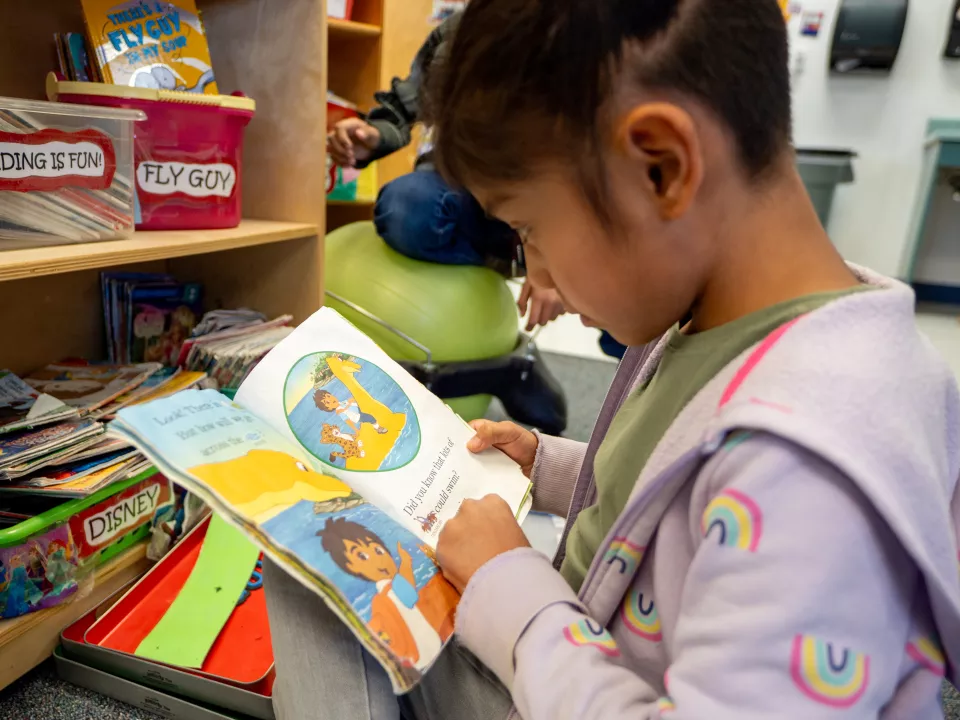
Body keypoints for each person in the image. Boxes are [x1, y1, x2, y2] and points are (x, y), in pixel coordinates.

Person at [265, 1, 960, 718]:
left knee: (312, 564)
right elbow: (670, 485)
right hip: (578, 637)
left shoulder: (811, 469)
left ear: (660, 167)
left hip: (569, 666)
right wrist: (545, 464)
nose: (533, 269)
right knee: (325, 544)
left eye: (529, 227)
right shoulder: (716, 317)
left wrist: (513, 590)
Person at [327, 11, 568, 334]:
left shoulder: (567, 31)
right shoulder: (455, 31)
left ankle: (525, 258)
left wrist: (554, 260)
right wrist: (373, 136)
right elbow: (402, 106)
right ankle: (491, 269)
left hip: (545, 200)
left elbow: (575, 157)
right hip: (463, 192)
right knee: (405, 206)